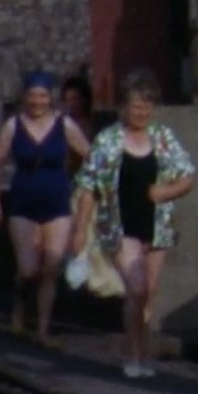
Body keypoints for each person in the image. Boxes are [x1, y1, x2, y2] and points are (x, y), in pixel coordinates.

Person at [70, 68, 195, 378]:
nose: (143, 112)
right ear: (123, 106)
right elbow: (88, 188)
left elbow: (188, 176)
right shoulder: (107, 140)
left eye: (148, 106)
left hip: (157, 225)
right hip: (119, 224)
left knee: (149, 290)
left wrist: (165, 191)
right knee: (136, 287)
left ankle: (142, 352)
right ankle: (132, 354)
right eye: (137, 105)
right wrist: (79, 233)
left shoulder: (163, 137)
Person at [0, 71, 90, 346]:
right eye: (32, 95)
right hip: (23, 202)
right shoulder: (13, 126)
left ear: (50, 98)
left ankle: (42, 329)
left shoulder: (64, 124)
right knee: (29, 269)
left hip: (57, 201)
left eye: (42, 95)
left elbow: (91, 155)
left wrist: (86, 188)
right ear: (25, 97)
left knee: (52, 267)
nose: (37, 101)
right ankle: (20, 306)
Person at [60, 74, 125, 299]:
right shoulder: (63, 127)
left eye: (76, 99)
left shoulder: (98, 128)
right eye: (67, 99)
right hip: (73, 184)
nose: (72, 104)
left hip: (96, 185)